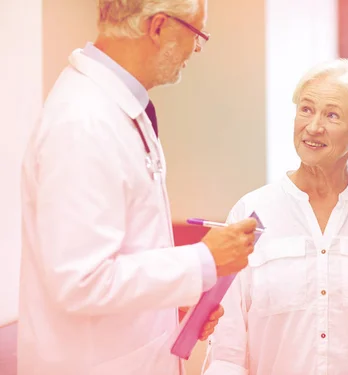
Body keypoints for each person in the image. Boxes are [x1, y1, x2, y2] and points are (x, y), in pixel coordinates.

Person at [18, 1, 257, 374]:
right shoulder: (82, 122)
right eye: (196, 33)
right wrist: (202, 261)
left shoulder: (118, 108)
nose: (196, 48)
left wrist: (168, 303)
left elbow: (120, 253)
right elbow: (80, 281)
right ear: (158, 27)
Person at [203, 59, 348, 375]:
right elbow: (226, 346)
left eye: (332, 115)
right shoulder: (251, 212)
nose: (313, 127)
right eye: (306, 109)